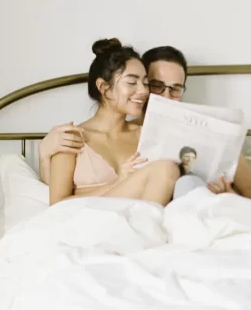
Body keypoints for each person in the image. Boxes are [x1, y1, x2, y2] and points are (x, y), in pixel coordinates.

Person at [40, 44, 251, 210]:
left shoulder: (156, 137)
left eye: (175, 89)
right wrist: (43, 154)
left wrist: (228, 200)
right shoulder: (68, 138)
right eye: (155, 85)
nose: (148, 92)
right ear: (104, 87)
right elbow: (56, 200)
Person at [48, 39, 179, 207]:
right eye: (131, 82)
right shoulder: (69, 139)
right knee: (165, 169)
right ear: (104, 87)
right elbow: (57, 205)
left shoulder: (146, 134)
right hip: (86, 221)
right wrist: (118, 182)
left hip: (137, 221)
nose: (143, 91)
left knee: (168, 170)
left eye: (145, 83)